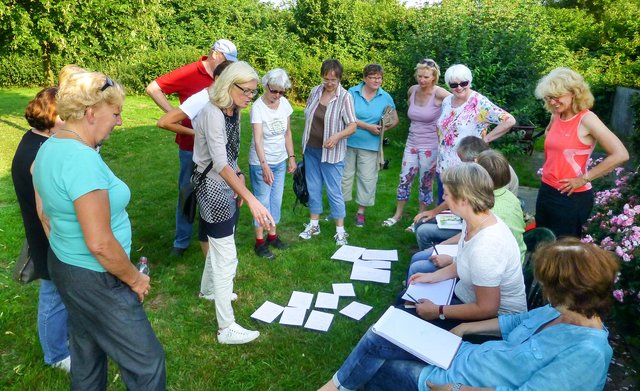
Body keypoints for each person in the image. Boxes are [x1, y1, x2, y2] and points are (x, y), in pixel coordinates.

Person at [318, 238, 618, 391]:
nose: (543, 288)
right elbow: (513, 322)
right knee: (380, 336)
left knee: (374, 369)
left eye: (546, 282)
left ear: (565, 290)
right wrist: (462, 330)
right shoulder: (558, 311)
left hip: (456, 380)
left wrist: (456, 389)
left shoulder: (586, 353)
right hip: (462, 355)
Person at [33, 71, 166, 389]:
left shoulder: (50, 146)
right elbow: (100, 243)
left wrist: (68, 253)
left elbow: (44, 214)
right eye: (116, 113)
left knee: (87, 356)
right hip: (98, 278)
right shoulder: (82, 160)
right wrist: (134, 278)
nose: (119, 122)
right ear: (91, 113)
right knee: (147, 363)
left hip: (67, 267)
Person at [192, 61, 273, 344]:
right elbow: (218, 162)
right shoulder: (212, 113)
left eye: (253, 91)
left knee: (218, 243)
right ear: (230, 85)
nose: (251, 96)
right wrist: (251, 198)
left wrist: (239, 179)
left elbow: (230, 155)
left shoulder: (233, 110)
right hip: (212, 188)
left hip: (224, 182)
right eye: (248, 91)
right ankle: (226, 328)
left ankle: (208, 291)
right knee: (227, 257)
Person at [146, 39, 238, 257]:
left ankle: (210, 237)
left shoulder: (224, 81)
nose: (229, 67)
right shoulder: (191, 73)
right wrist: (179, 119)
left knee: (214, 191)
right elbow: (153, 88)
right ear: (215, 54)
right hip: (190, 147)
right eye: (227, 60)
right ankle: (182, 241)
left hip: (215, 148)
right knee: (187, 192)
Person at [406, 163, 526, 328]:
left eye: (447, 194)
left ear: (463, 200)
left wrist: (438, 311)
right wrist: (433, 277)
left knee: (403, 317)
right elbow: (464, 262)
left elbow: (488, 309)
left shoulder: (487, 246)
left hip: (495, 322)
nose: (443, 199)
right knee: (407, 302)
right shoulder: (475, 218)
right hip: (469, 298)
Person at [11, 87, 70, 371]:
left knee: (58, 291)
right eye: (66, 113)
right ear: (52, 116)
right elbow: (46, 208)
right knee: (53, 294)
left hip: (47, 231)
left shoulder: (37, 140)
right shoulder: (38, 151)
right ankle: (56, 354)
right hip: (46, 233)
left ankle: (62, 344)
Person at [534, 67, 628, 238]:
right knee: (542, 243)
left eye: (557, 96)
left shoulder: (587, 119)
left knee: (564, 253)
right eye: (549, 97)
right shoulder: (556, 115)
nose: (553, 102)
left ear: (574, 93)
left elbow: (620, 154)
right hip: (546, 190)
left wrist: (583, 179)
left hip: (571, 197)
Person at [409, 150, 527, 278]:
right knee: (418, 259)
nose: (443, 197)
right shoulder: (493, 201)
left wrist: (450, 259)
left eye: (447, 194)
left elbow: (484, 273)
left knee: (417, 267)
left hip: (493, 273)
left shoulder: (487, 218)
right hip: (472, 264)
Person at [383, 59, 450, 230]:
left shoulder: (440, 94)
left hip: (431, 146)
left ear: (434, 77)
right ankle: (397, 215)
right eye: (419, 76)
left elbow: (458, 107)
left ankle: (419, 219)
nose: (422, 80)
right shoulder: (412, 90)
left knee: (425, 182)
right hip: (412, 143)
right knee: (404, 178)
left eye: (426, 77)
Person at [299, 59, 357, 245]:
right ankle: (313, 224)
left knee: (334, 190)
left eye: (333, 79)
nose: (329, 83)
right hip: (311, 149)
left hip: (332, 154)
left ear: (340, 78)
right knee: (313, 187)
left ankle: (340, 231)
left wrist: (337, 136)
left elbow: (353, 126)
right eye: (326, 79)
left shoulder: (345, 97)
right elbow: (308, 115)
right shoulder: (315, 91)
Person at [342, 64, 398, 228]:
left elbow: (395, 120)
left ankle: (361, 213)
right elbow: (346, 115)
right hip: (348, 141)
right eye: (372, 77)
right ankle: (340, 210)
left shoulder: (385, 97)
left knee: (367, 179)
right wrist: (368, 127)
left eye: (379, 77)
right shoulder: (352, 92)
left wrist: (382, 130)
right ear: (364, 78)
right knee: (344, 177)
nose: (376, 80)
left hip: (371, 145)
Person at [249, 68, 297, 259]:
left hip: (280, 161)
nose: (277, 95)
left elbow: (288, 133)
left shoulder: (284, 104)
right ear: (266, 86)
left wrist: (291, 157)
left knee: (276, 201)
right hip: (261, 162)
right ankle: (259, 243)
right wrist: (264, 166)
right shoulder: (257, 108)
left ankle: (272, 236)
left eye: (281, 92)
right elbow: (258, 140)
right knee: (262, 202)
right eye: (273, 91)